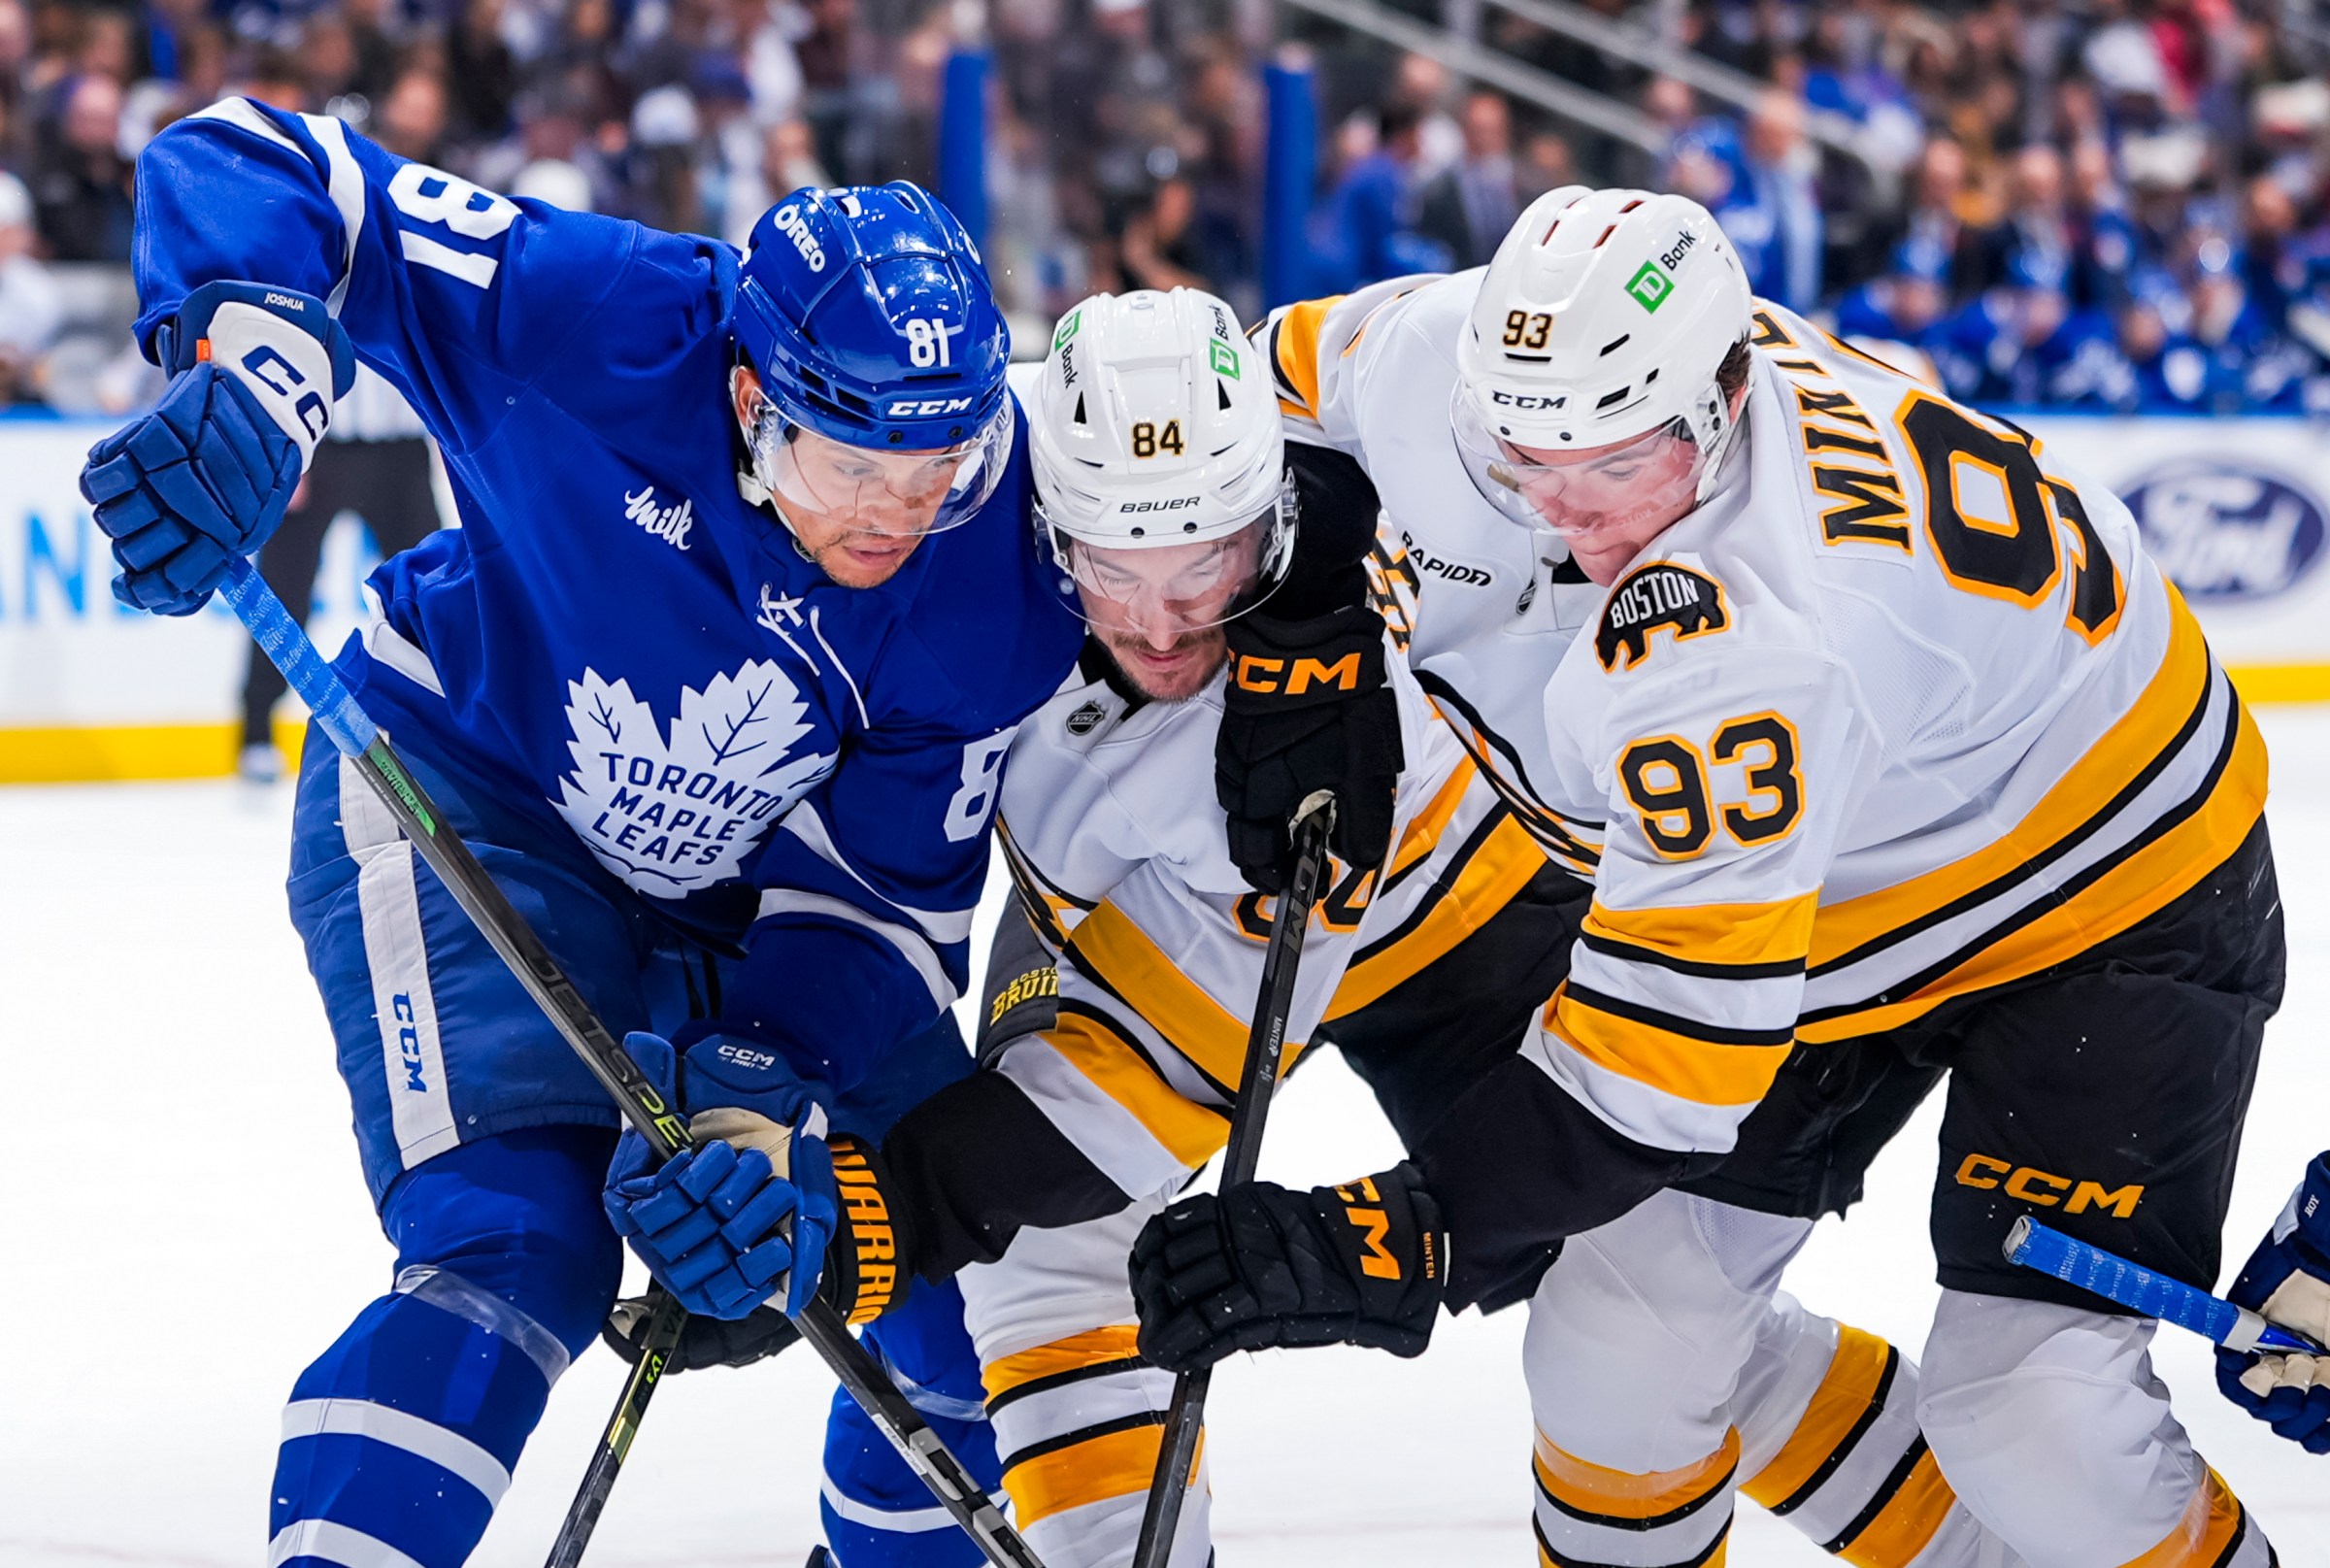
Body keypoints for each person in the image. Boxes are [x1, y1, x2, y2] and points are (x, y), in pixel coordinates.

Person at [611, 284, 1996, 1568]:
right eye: (1112, 566)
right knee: (1044, 1266)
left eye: (1211, 560)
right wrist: (865, 1206)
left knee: (1637, 1314)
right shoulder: (967, 526)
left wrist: (877, 1212)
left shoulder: (1406, 472)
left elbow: (1451, 396)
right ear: (1042, 522)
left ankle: (1983, 1544)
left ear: (1269, 505)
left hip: (1447, 884)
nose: (1162, 627)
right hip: (1119, 917)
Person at [1136, 187, 2282, 1567]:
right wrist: (1302, 631)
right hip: (1856, 849)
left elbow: (1665, 1063)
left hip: (2112, 883)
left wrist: (1398, 1230)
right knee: (1613, 1352)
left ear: (1728, 398)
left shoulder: (1757, 637)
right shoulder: (1426, 354)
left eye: (1620, 467)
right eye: (1526, 461)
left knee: (2034, 1408)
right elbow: (1270, 414)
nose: (1571, 519)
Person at [80, 97, 1085, 1568]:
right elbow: (263, 158)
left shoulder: (996, 580)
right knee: (521, 1243)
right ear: (748, 396)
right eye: (845, 467)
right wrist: (254, 369)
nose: (889, 519)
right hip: (462, 798)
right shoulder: (603, 317)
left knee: (956, 1260)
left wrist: (756, 1097)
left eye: (930, 476)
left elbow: (878, 902)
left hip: (751, 896)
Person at [237, 363, 442, 783]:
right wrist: (284, 449)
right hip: (318, 448)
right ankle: (257, 729)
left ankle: (440, 729)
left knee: (431, 598)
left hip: (403, 449)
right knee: (284, 593)